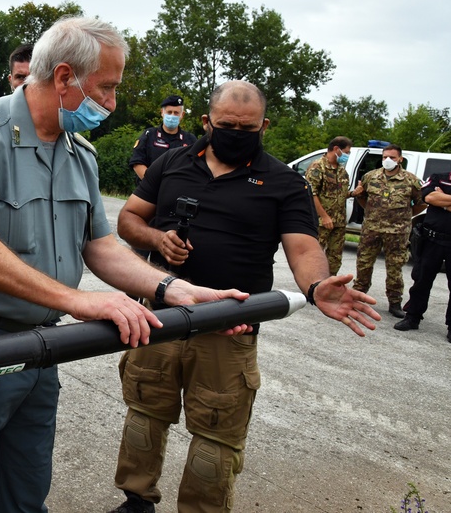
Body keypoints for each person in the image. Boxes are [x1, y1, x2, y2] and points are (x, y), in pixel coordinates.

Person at [0, 17, 250, 513]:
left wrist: (176, 289)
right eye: (108, 88)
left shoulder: (79, 154)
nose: (113, 103)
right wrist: (77, 300)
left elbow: (101, 246)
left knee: (27, 498)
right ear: (65, 77)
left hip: (41, 350)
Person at [110, 80, 380, 513]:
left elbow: (304, 246)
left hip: (227, 327)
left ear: (264, 125)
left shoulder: (284, 181)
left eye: (247, 126)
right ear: (206, 122)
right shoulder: (171, 163)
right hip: (159, 317)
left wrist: (315, 287)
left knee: (216, 439)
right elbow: (128, 220)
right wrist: (159, 240)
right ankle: (136, 500)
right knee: (144, 414)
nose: (236, 132)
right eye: (226, 125)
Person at [352, 144, 425, 318]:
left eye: (392, 157)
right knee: (364, 264)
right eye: (385, 157)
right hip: (372, 229)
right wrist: (371, 212)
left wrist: (405, 216)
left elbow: (422, 202)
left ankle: (394, 303)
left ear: (400, 159)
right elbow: (362, 197)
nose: (388, 160)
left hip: (397, 232)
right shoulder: (371, 177)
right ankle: (357, 298)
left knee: (395, 268)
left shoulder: (410, 180)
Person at [394, 170, 451, 341]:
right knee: (421, 280)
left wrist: (444, 201)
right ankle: (412, 317)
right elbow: (429, 198)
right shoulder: (438, 177)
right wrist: (440, 201)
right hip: (432, 240)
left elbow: (437, 199)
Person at [305, 136, 354, 274]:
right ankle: (312, 284)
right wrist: (324, 216)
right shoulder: (317, 167)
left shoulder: (341, 170)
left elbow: (339, 194)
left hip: (338, 222)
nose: (348, 155)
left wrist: (352, 194)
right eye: (347, 152)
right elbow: (311, 194)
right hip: (321, 222)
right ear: (336, 149)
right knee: (316, 255)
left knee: (335, 257)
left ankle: (330, 282)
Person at [129, 94, 197, 182]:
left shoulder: (190, 140)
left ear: (182, 115)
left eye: (176, 113)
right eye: (169, 112)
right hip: (148, 191)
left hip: (177, 191)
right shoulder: (149, 135)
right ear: (162, 112)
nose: (172, 116)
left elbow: (196, 167)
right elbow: (137, 163)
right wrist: (153, 184)